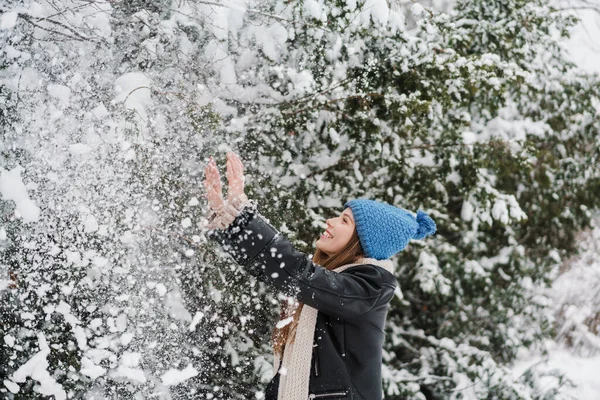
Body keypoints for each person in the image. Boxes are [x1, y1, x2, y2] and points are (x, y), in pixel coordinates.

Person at [202, 151, 436, 400]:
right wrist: (229, 220)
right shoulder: (333, 282)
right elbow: (274, 270)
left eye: (344, 221)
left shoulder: (369, 288)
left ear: (362, 242)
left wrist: (243, 214)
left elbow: (297, 273)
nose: (330, 221)